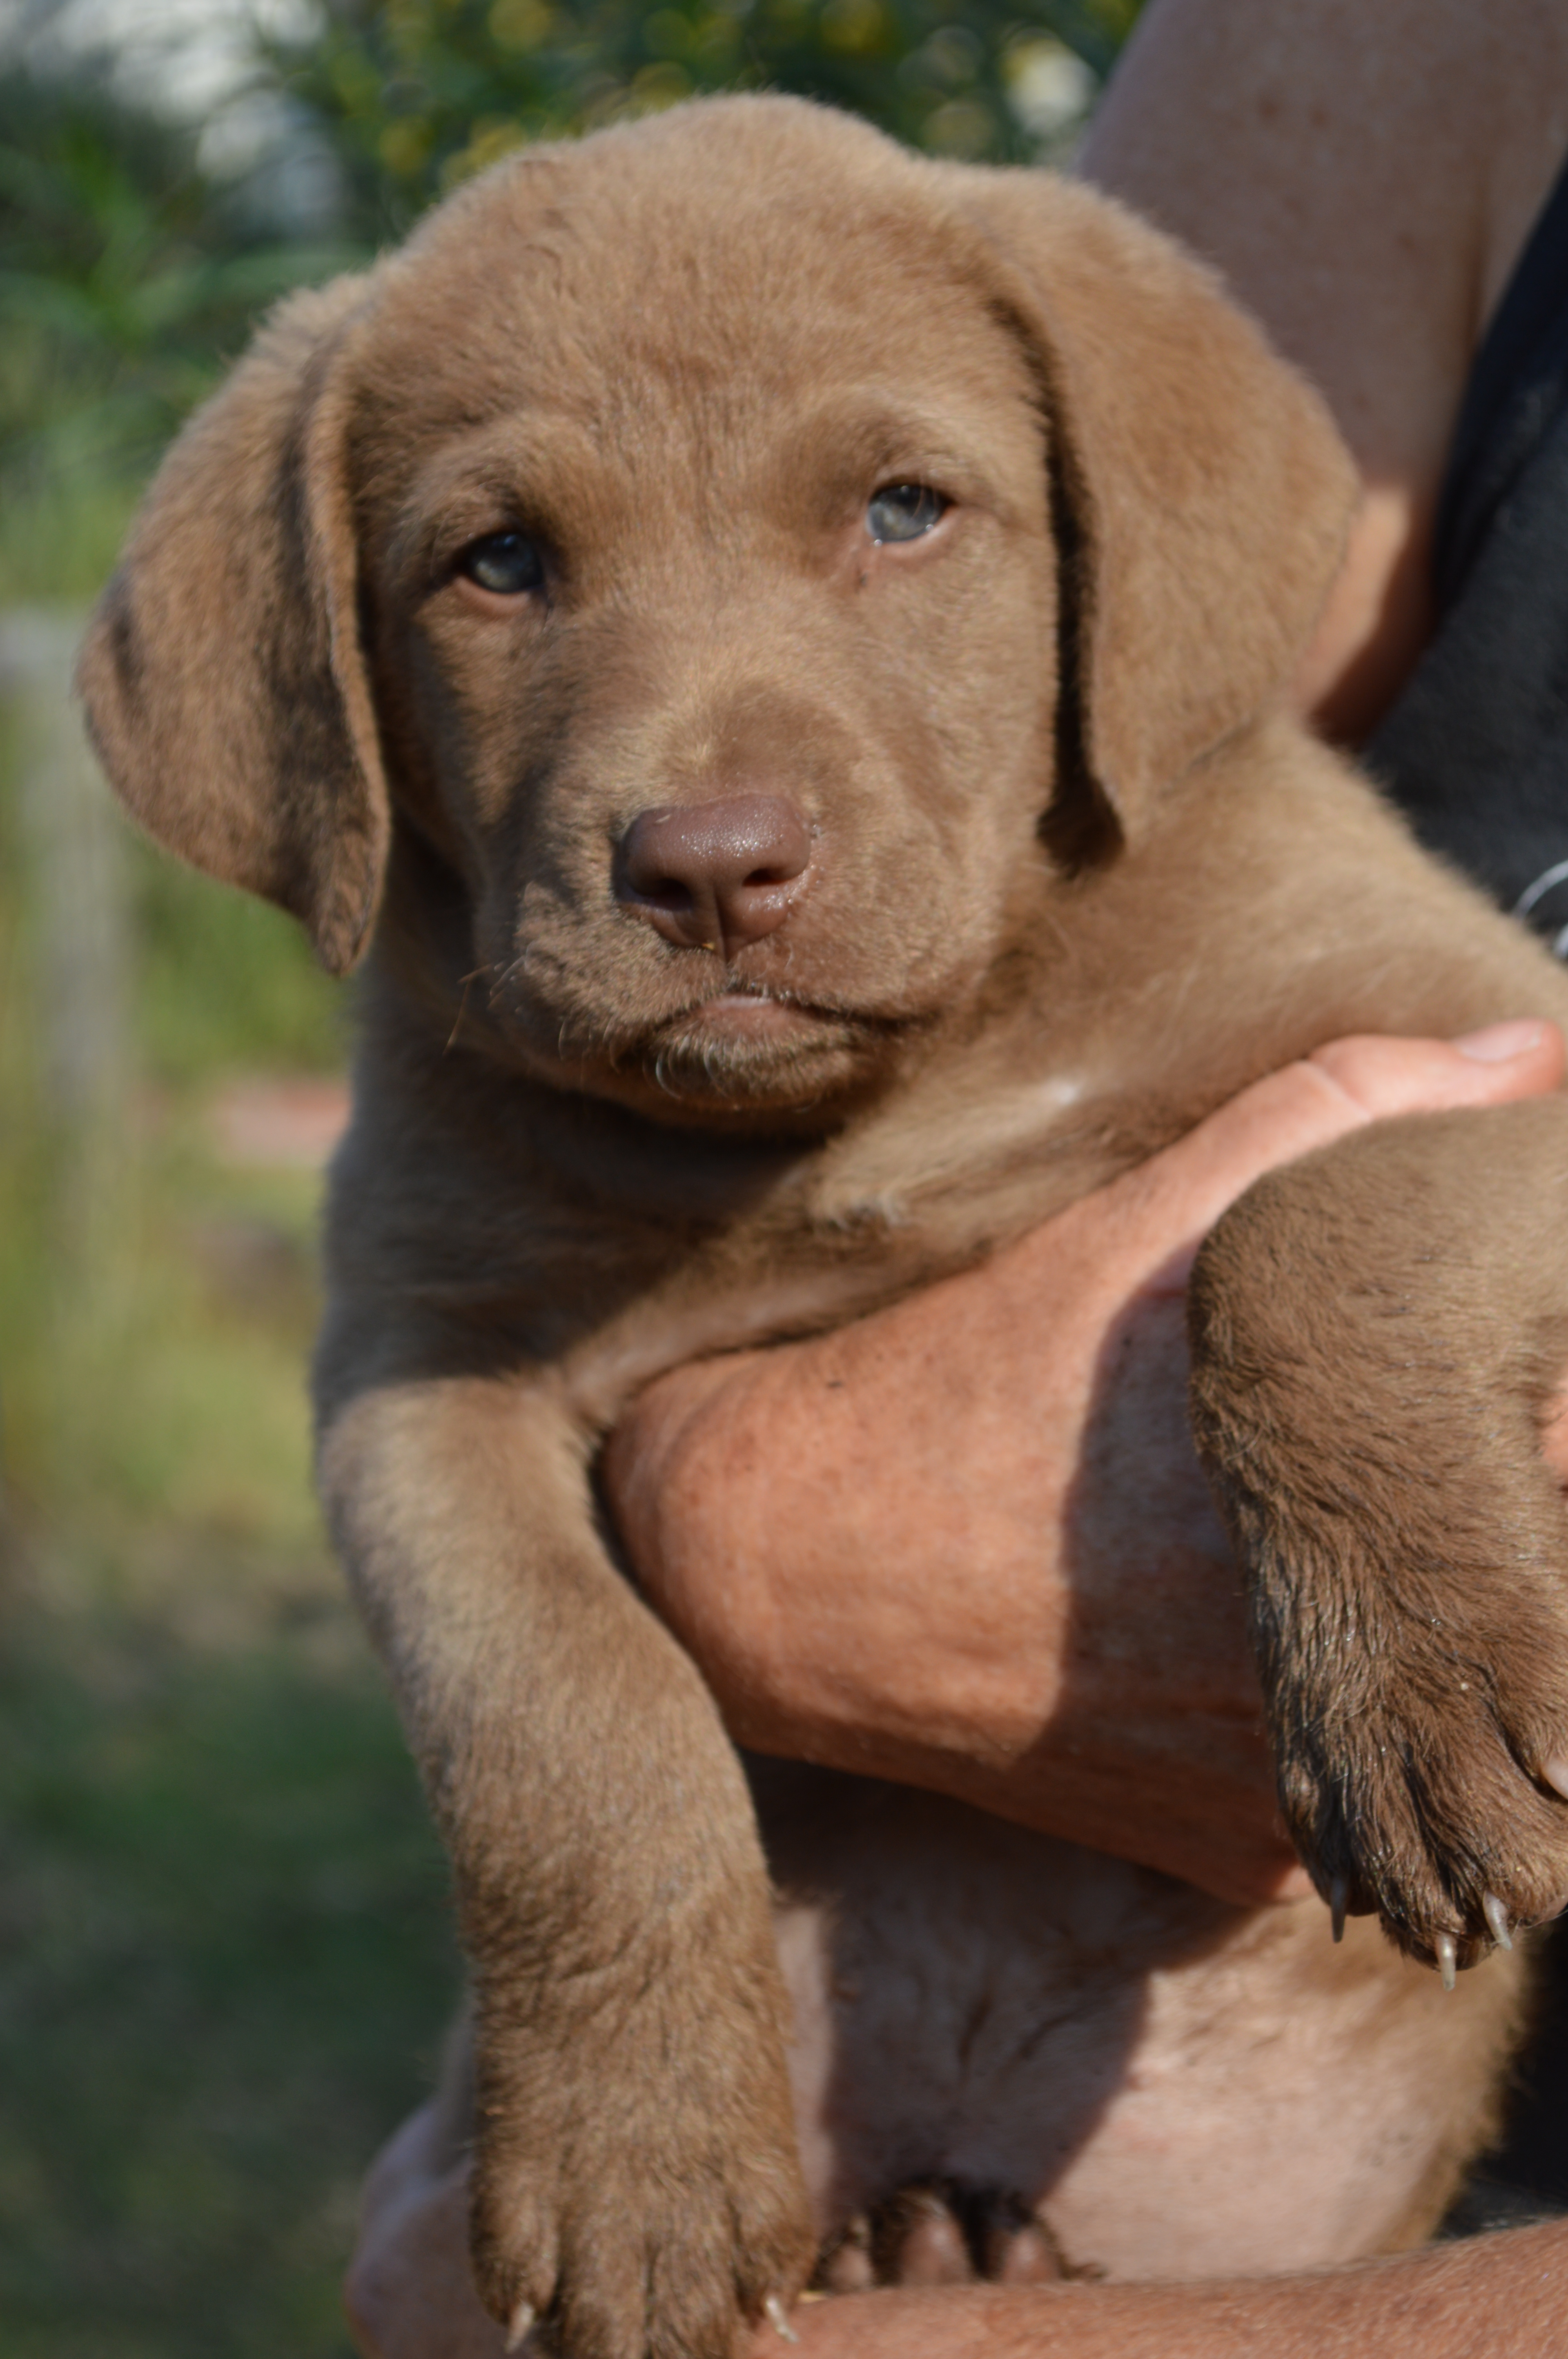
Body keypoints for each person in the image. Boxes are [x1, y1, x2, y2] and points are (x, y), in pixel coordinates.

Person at [345, 0, 1568, 2348]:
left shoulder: (1251, 886)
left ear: (1109, 528)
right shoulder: (1414, 54)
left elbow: (1524, 1119)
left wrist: (1342, 1339)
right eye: (501, 561)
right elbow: (437, 1405)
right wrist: (616, 1918)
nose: (703, 812)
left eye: (900, 507)